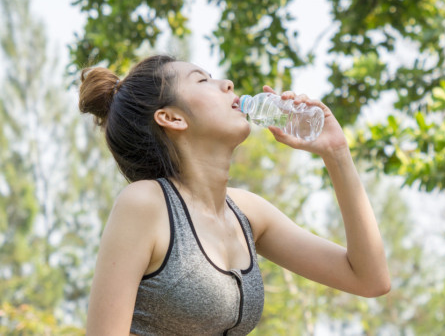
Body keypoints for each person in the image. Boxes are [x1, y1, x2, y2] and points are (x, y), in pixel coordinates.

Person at [79, 54, 390, 335]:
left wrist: (336, 152)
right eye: (202, 80)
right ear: (172, 118)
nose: (226, 84)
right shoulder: (145, 204)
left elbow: (369, 279)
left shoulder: (247, 213)